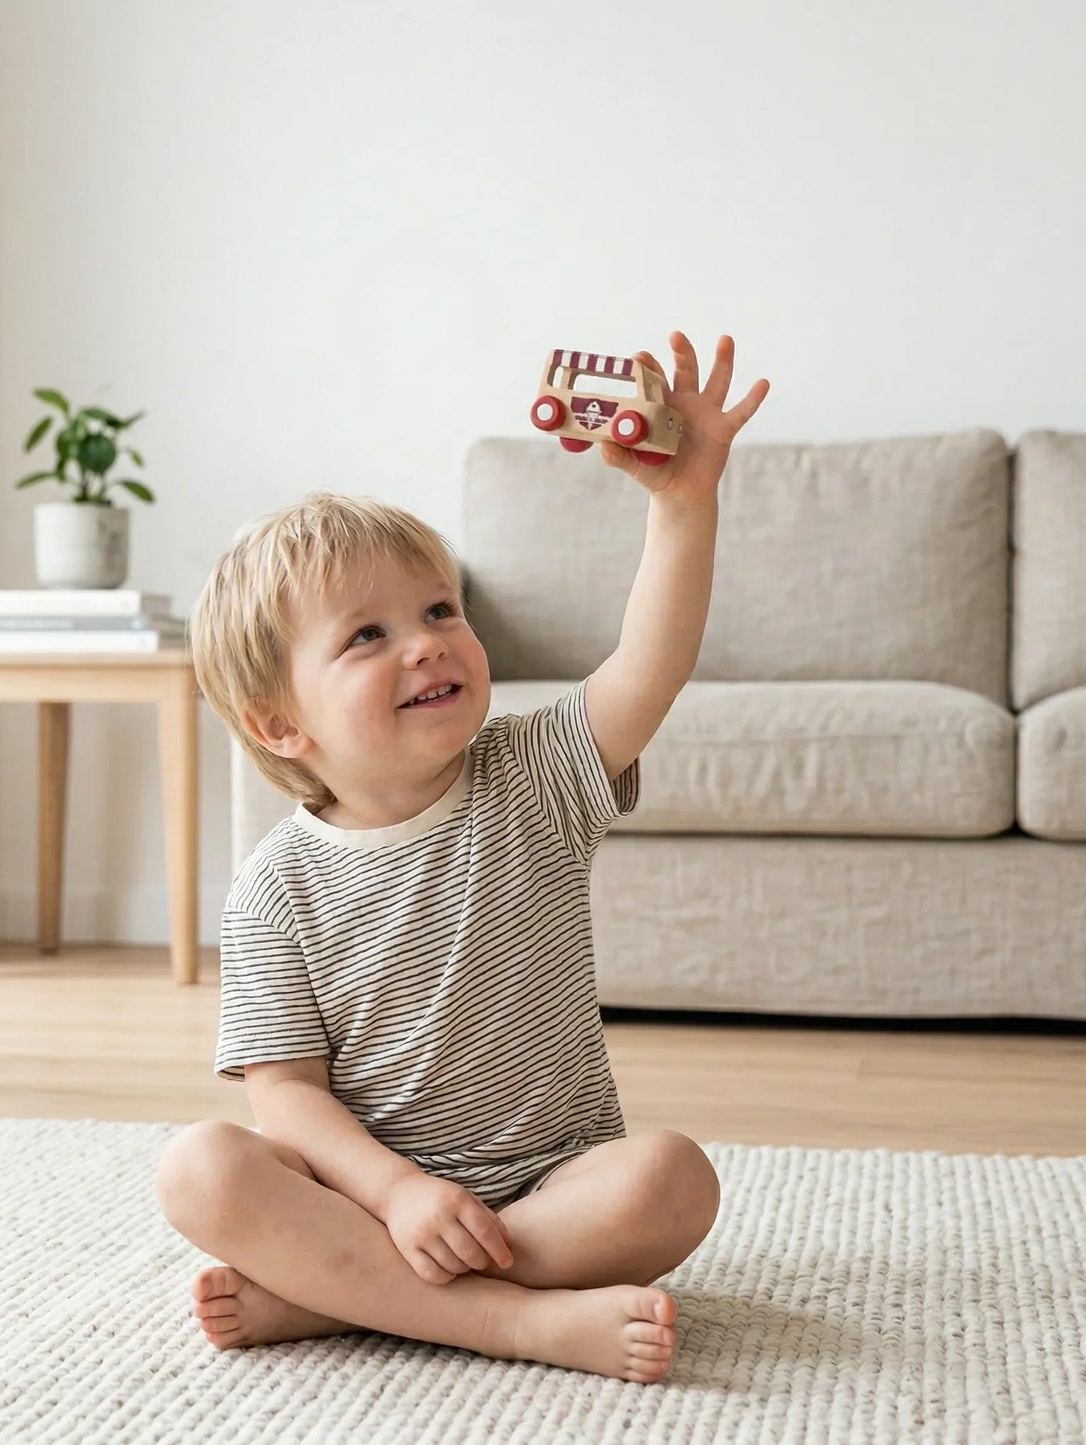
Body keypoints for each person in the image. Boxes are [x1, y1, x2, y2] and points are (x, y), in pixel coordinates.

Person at [157, 334, 769, 1384]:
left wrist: (683, 504)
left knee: (672, 1179)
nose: (427, 641)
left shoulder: (532, 774)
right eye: (366, 636)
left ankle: (340, 1295)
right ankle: (520, 1322)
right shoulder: (272, 889)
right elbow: (287, 1097)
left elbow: (648, 667)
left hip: (550, 1190)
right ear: (279, 722)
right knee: (198, 1168)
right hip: (367, 1197)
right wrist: (397, 1192)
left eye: (439, 609)